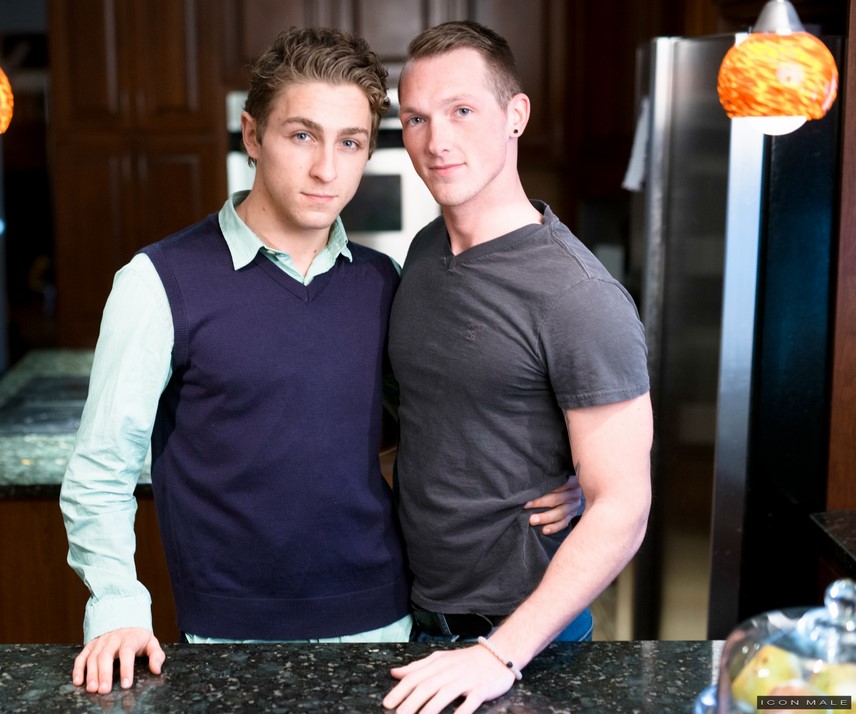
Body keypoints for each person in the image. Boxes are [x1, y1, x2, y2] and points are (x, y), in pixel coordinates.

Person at [59, 25, 582, 697]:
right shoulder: (159, 282)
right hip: (227, 635)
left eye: (351, 143)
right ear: (252, 136)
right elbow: (100, 470)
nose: (327, 170)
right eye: (302, 135)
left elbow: (443, 424)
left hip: (389, 626)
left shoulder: (383, 281)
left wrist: (559, 472)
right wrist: (118, 606)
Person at [382, 21, 653, 714]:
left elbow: (625, 504)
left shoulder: (578, 296)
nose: (436, 141)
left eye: (462, 110)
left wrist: (500, 654)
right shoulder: (424, 254)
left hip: (526, 640)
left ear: (515, 115)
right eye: (416, 118)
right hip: (415, 617)